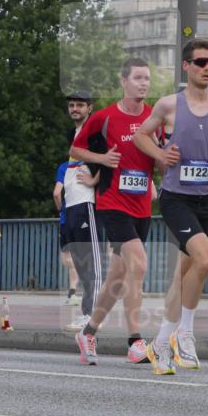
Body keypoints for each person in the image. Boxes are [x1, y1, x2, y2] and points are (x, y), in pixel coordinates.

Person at [133, 39, 208, 375]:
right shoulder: (169, 105)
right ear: (186, 66)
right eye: (201, 62)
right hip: (176, 199)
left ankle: (159, 345)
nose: (207, 68)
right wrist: (159, 155)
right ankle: (184, 334)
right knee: (206, 259)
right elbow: (140, 136)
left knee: (183, 275)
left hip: (206, 198)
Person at [69, 60, 157, 366]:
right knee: (140, 265)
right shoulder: (104, 118)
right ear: (124, 81)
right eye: (137, 78)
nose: (143, 84)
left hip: (142, 204)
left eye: (147, 78)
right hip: (112, 202)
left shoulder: (153, 116)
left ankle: (88, 331)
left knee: (117, 280)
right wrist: (102, 159)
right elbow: (76, 150)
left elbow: (156, 154)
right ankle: (135, 342)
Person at [60, 90, 103, 332]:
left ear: (89, 108)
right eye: (72, 105)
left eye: (79, 105)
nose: (75, 109)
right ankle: (86, 314)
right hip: (72, 203)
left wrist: (95, 180)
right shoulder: (74, 133)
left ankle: (92, 316)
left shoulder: (94, 132)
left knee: (91, 263)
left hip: (87, 202)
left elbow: (110, 158)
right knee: (80, 261)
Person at [53, 160, 81, 307]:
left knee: (68, 259)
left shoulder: (64, 167)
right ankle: (73, 293)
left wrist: (60, 209)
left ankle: (73, 292)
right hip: (83, 215)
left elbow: (57, 193)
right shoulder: (88, 165)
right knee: (71, 259)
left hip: (66, 218)